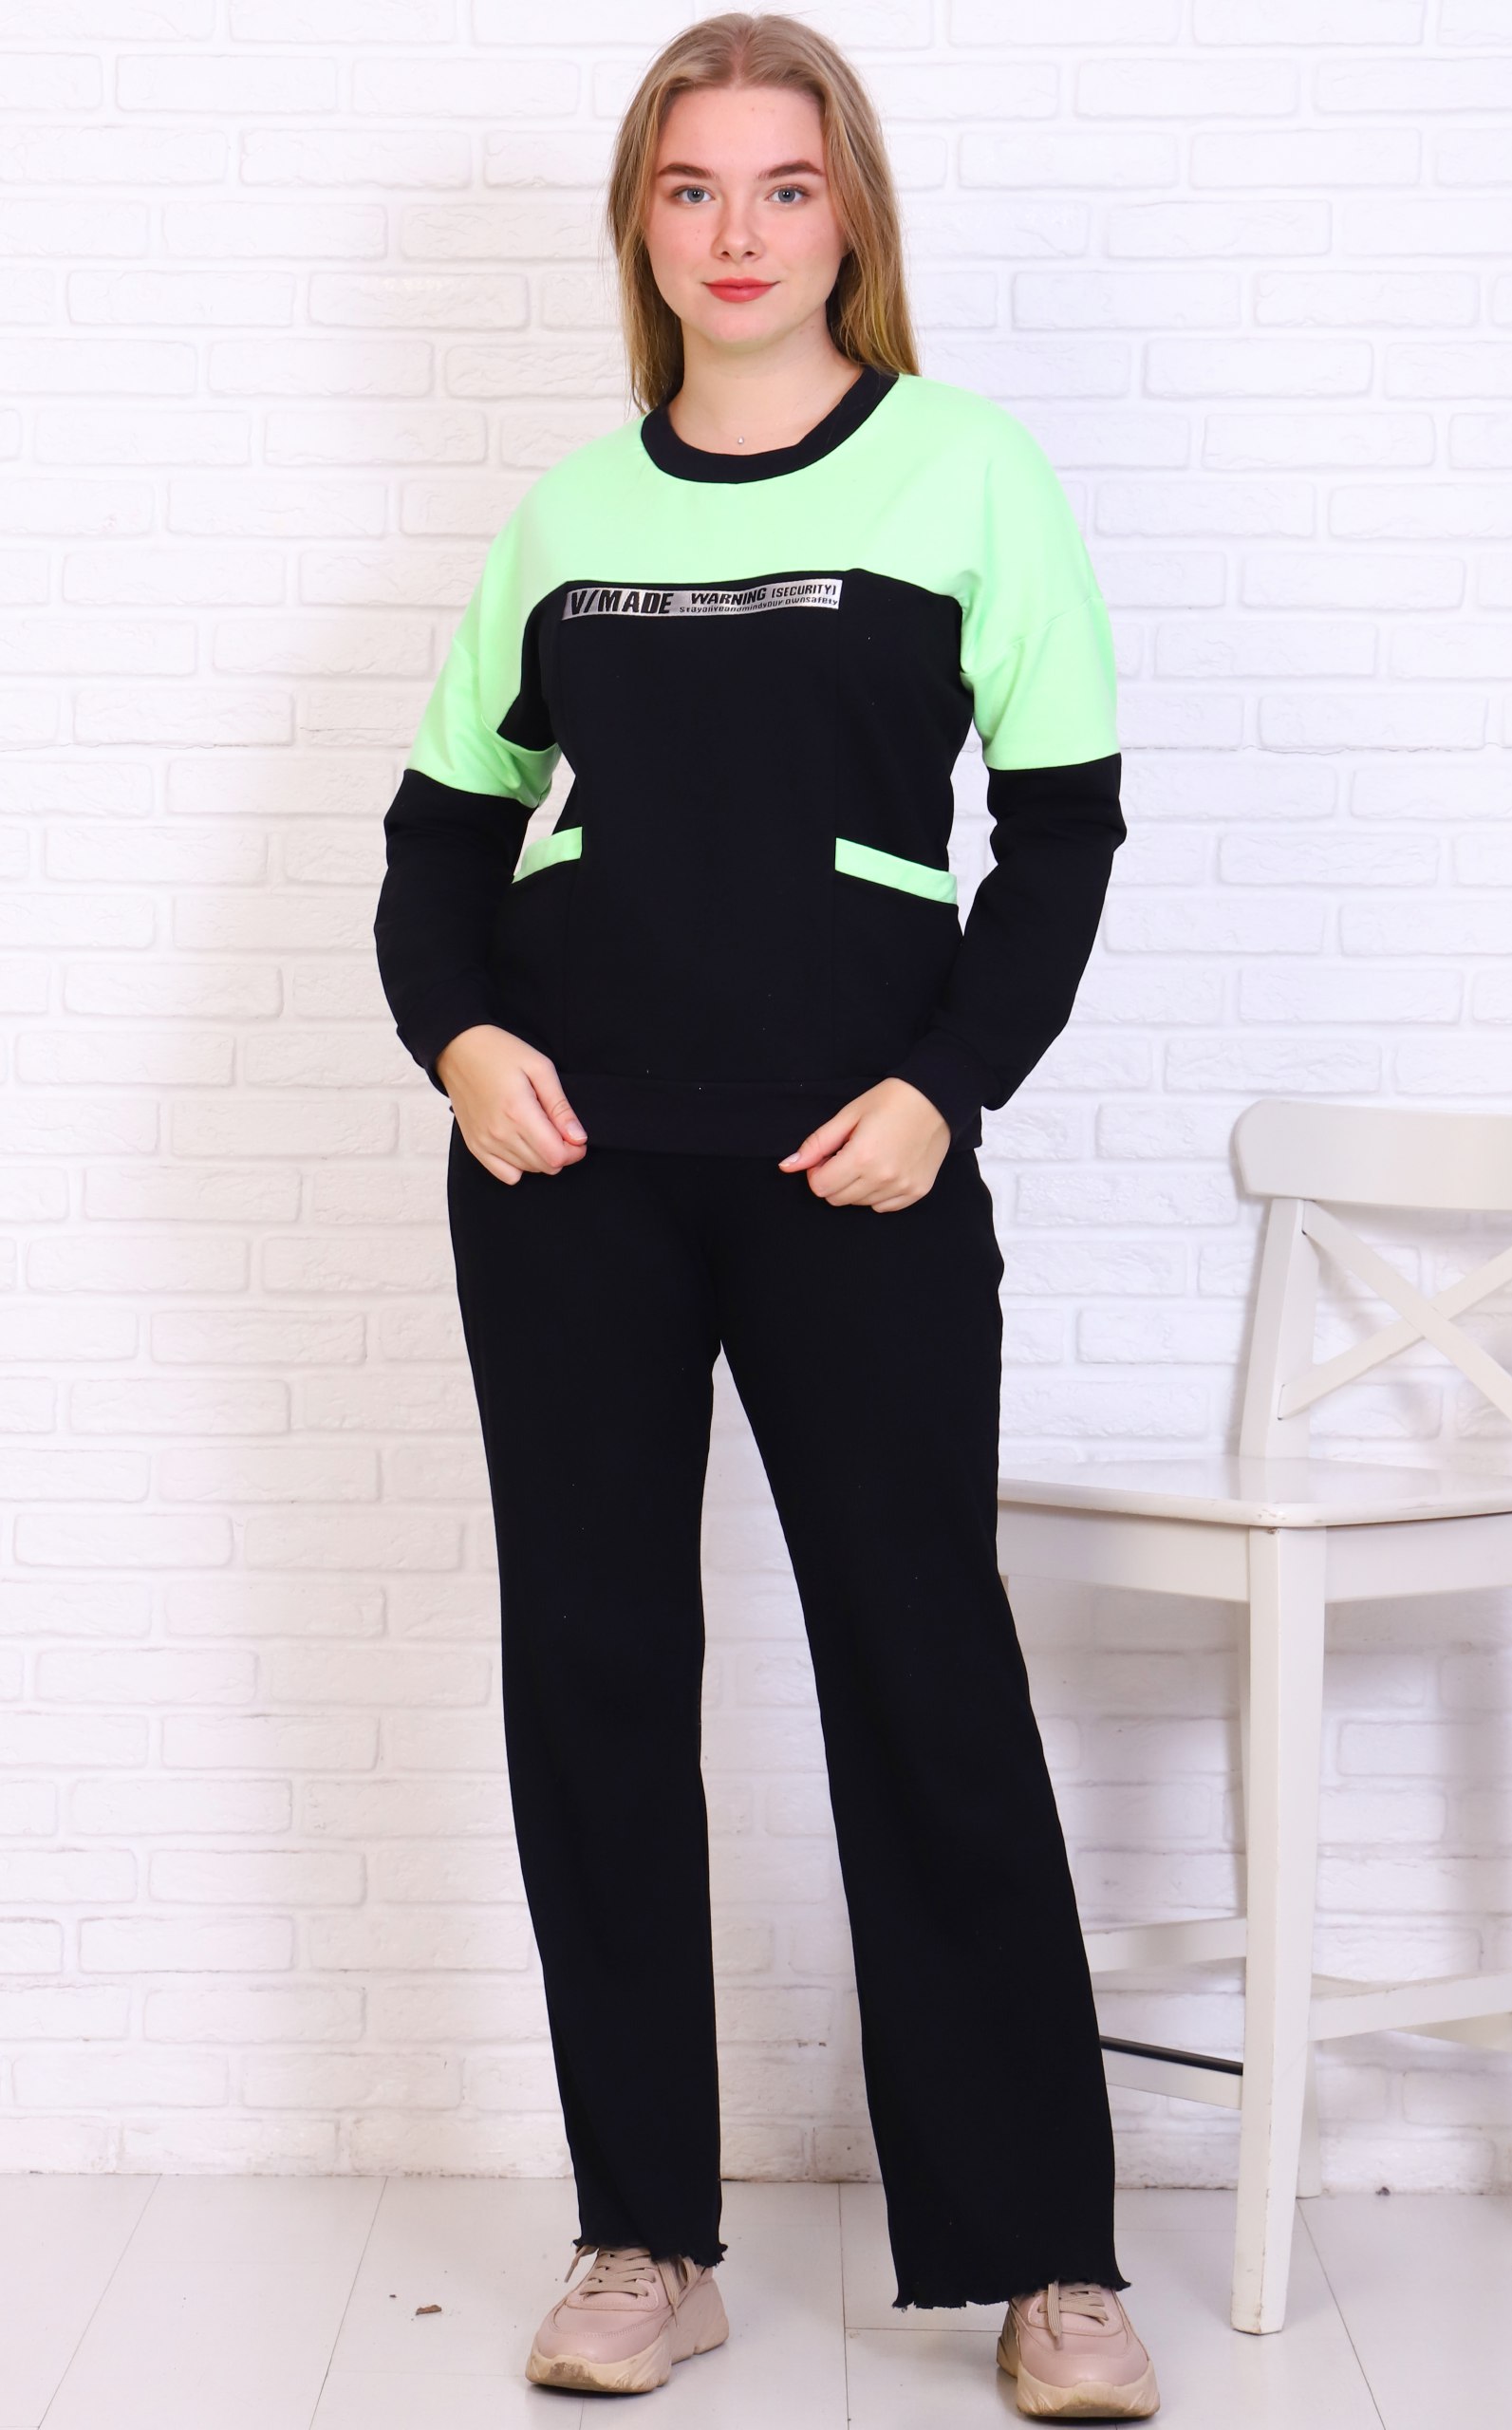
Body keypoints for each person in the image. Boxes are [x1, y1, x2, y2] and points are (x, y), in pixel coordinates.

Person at [372, 10, 1156, 2420]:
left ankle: (1045, 2261)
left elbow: (1060, 833)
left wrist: (943, 1086)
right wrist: (459, 1042)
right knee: (596, 1681)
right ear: (642, 223)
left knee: (922, 1671)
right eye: (691, 187)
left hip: (858, 1171)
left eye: (782, 186)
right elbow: (437, 844)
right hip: (571, 1180)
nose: (736, 232)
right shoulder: (561, 517)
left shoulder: (965, 471)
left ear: (848, 217)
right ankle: (643, 2237)